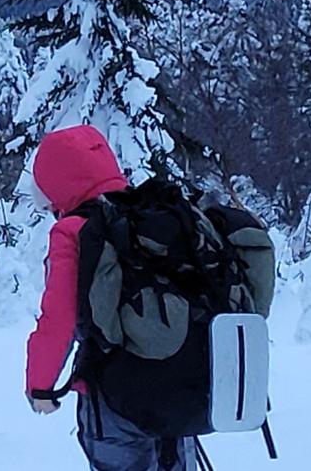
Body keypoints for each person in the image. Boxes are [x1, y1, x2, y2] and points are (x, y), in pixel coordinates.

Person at [23, 125, 200, 471]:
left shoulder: (74, 230)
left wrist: (40, 386)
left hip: (113, 396)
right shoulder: (158, 218)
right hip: (181, 389)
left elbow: (58, 318)